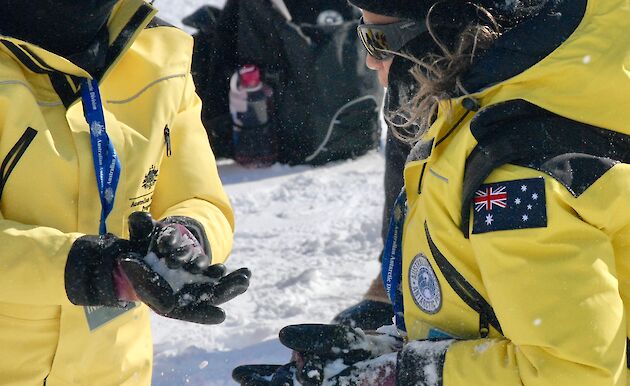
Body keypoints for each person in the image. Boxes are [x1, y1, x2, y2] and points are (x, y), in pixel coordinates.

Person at [233, 0, 630, 385]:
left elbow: (575, 374)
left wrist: (405, 375)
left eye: (378, 41)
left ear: (440, 34)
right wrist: (391, 354)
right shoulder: (474, 122)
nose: (370, 60)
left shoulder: (514, 183)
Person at [0, 1, 251, 385]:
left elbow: (202, 197)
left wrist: (185, 238)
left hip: (115, 369)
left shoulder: (159, 50)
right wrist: (93, 269)